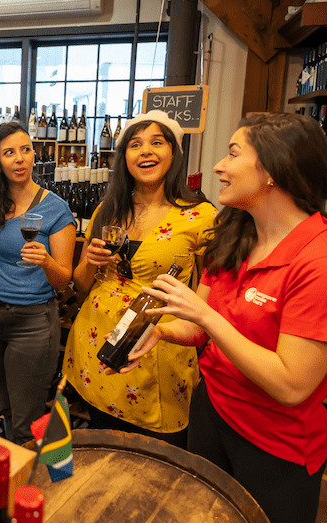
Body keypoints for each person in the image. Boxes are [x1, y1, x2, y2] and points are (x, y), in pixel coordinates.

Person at [122, 112, 327, 523]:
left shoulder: (326, 268)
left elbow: (292, 384)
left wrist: (205, 316)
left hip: (274, 449)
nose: (218, 165)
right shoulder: (237, 234)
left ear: (273, 169)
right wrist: (160, 328)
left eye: (233, 153)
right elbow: (197, 329)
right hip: (210, 413)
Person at [64, 110, 215, 448]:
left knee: (159, 455)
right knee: (105, 448)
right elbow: (82, 284)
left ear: (174, 153)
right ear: (125, 157)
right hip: (98, 349)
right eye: (135, 144)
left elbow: (211, 297)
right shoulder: (110, 208)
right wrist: (89, 261)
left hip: (160, 349)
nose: (146, 151)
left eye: (156, 142)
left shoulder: (200, 216)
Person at [0, 121, 75, 444]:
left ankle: (37, 488)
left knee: (26, 422)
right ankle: (21, 479)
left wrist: (45, 261)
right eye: (10, 152)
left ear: (34, 155)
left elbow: (64, 280)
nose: (20, 158)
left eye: (26, 150)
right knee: (6, 409)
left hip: (32, 323)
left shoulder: (55, 209)